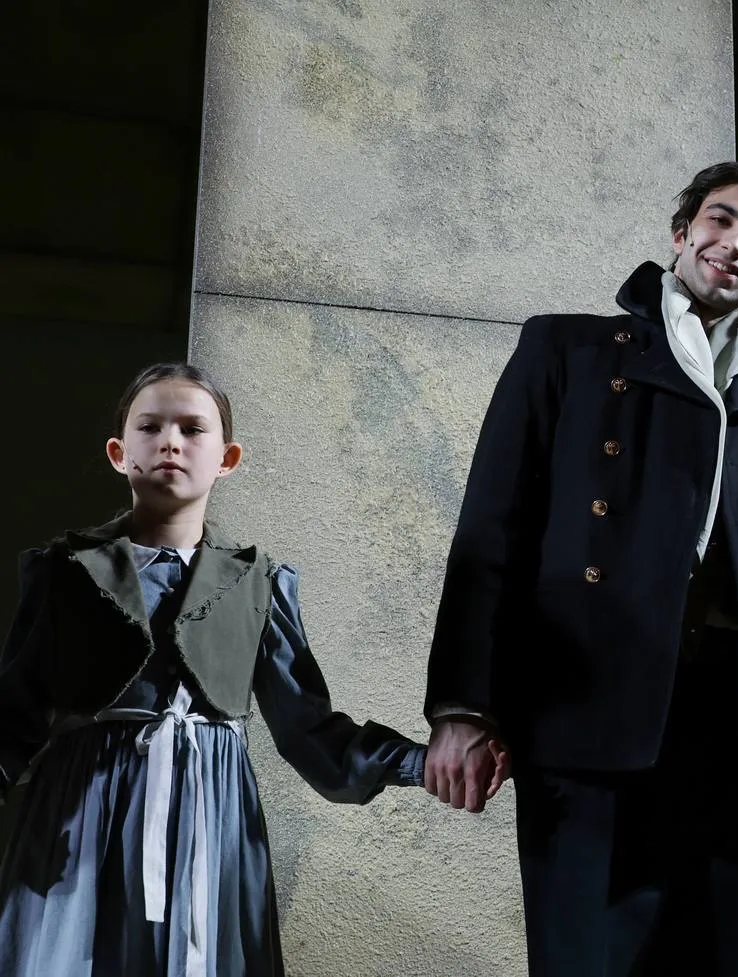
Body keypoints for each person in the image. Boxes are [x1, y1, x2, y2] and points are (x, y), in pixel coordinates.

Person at [422, 158, 738, 976]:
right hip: (587, 713)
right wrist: (464, 705)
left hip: (729, 734)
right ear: (681, 233)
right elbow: (491, 531)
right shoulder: (567, 348)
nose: (737, 241)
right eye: (721, 218)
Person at [0, 362, 427, 977]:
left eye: (192, 429)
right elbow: (13, 713)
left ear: (227, 458)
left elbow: (310, 730)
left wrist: (418, 763)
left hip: (211, 815)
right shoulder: (64, 570)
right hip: (85, 806)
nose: (170, 442)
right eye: (150, 427)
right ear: (120, 452)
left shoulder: (258, 584)